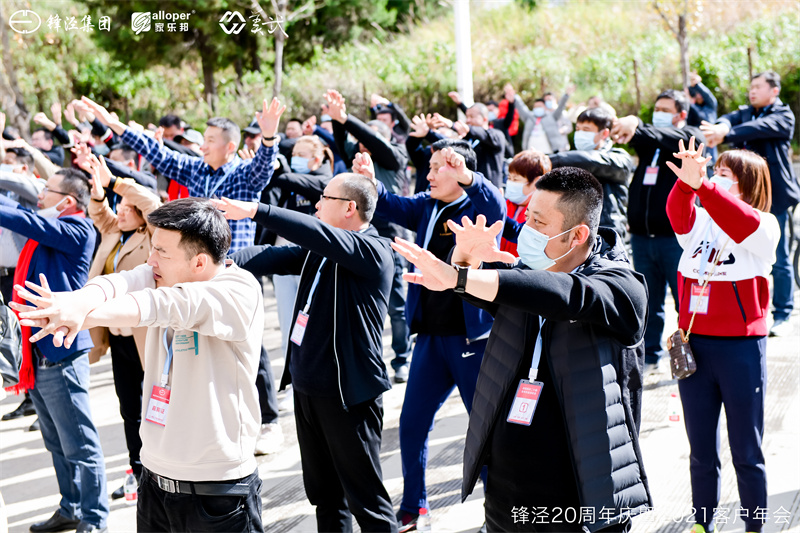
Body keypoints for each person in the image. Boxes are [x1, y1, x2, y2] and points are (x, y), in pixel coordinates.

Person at [391, 166, 651, 532]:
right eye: (527, 216)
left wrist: (460, 277)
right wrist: (463, 262)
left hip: (580, 493)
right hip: (507, 490)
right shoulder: (525, 272)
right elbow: (501, 293)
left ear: (577, 234)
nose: (526, 230)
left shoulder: (620, 287)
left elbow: (566, 296)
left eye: (539, 222)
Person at [14, 198, 266, 533]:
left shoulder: (237, 291)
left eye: (161, 251)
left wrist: (83, 317)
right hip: (155, 482)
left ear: (199, 263)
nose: (150, 260)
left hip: (216, 490)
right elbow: (118, 282)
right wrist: (78, 300)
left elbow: (161, 306)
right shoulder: (162, 273)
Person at [221, 173, 398, 532]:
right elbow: (272, 254)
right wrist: (219, 262)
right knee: (325, 497)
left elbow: (312, 232)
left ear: (350, 208)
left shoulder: (373, 251)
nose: (316, 204)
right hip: (307, 389)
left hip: (347, 396)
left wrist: (257, 210)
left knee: (368, 503)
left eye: (324, 199)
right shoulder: (320, 253)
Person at [353, 142, 505, 531]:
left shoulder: (478, 204)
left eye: (440, 167)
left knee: (483, 426)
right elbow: (391, 205)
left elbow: (495, 205)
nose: (430, 174)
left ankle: (500, 510)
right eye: (430, 167)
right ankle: (413, 506)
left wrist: (471, 177)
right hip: (432, 339)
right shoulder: (427, 205)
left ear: (461, 171)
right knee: (412, 424)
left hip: (472, 340)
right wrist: (370, 183)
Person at [665, 140, 778, 533]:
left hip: (742, 351)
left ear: (746, 185)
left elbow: (740, 222)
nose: (715, 179)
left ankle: (755, 525)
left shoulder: (766, 225)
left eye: (724, 175)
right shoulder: (702, 222)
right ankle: (702, 523)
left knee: (747, 451)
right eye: (714, 173)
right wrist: (686, 184)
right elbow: (677, 215)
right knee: (701, 450)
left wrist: (706, 189)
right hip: (696, 346)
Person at [0, 168, 109, 533]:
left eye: (45, 191)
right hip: (40, 354)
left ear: (66, 201)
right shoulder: (50, 230)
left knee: (81, 444)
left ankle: (94, 519)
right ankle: (71, 506)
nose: (39, 197)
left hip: (62, 353)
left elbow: (24, 220)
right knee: (57, 442)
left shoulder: (78, 229)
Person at [79, 95, 286, 252]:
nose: (203, 147)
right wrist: (112, 124)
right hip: (196, 266)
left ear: (230, 146)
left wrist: (268, 138)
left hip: (233, 267)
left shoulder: (243, 173)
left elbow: (263, 166)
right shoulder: (196, 168)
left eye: (211, 141)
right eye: (204, 140)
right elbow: (157, 152)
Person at [611, 89, 704, 373]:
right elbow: (645, 135)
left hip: (674, 240)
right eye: (657, 108)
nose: (659, 113)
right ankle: (650, 355)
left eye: (666, 109)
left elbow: (666, 138)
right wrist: (630, 125)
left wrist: (635, 125)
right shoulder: (648, 142)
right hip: (641, 237)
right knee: (649, 300)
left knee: (684, 300)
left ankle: (694, 352)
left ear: (681, 114)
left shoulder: (689, 139)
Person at [84, 154, 161, 499]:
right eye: (121, 205)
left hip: (145, 334)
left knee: (155, 403)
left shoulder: (154, 233)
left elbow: (152, 202)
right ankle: (138, 470)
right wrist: (100, 190)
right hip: (117, 338)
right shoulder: (116, 231)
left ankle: (160, 469)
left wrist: (116, 181)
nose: (123, 210)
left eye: (130, 206)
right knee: (129, 407)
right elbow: (99, 212)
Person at [700, 70, 799, 337]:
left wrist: (726, 132)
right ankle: (754, 312)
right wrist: (721, 126)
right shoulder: (744, 112)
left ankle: (783, 313)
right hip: (742, 199)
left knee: (778, 259)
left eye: (758, 86)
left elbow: (758, 129)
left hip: (774, 198)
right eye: (751, 87)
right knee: (742, 255)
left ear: (774, 90)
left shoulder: (783, 115)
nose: (752, 91)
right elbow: (727, 119)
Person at [327, 89, 413, 383]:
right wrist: (337, 121)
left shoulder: (395, 156)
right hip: (360, 238)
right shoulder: (355, 155)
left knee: (397, 307)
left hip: (392, 240)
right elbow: (342, 142)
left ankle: (402, 358)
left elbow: (377, 142)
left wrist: (346, 118)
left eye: (367, 140)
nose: (361, 148)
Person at [550, 107, 634, 241]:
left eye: (586, 130)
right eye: (578, 129)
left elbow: (592, 161)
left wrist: (547, 160)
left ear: (604, 133)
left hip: (606, 235)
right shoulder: (572, 159)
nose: (580, 133)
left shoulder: (619, 158)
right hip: (575, 234)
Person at [500, 150, 551, 256]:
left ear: (537, 182)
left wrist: (495, 210)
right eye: (509, 178)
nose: (510, 183)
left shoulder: (543, 211)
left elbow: (520, 234)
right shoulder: (505, 203)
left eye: (516, 179)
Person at [511, 83, 575, 154]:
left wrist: (566, 95)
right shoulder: (529, 117)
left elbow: (561, 107)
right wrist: (514, 96)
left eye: (540, 106)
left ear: (545, 107)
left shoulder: (552, 116)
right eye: (536, 107)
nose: (538, 108)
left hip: (548, 152)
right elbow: (521, 107)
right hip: (531, 152)